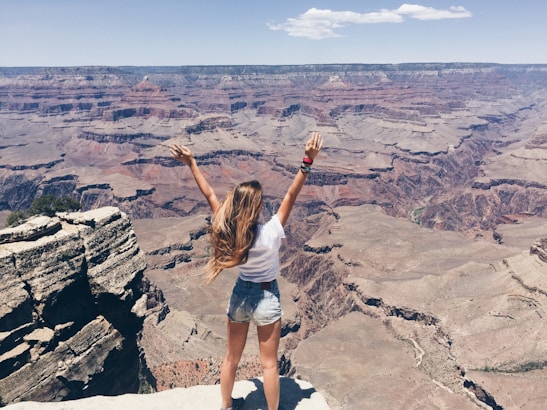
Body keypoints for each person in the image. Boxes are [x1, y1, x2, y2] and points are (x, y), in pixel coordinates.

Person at [170, 132, 323, 410]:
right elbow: (292, 193)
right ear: (258, 207)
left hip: (240, 295)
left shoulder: (228, 232)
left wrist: (191, 163)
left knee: (231, 358)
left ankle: (226, 406)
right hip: (267, 297)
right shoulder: (272, 232)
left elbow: (208, 193)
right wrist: (307, 160)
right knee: (269, 364)